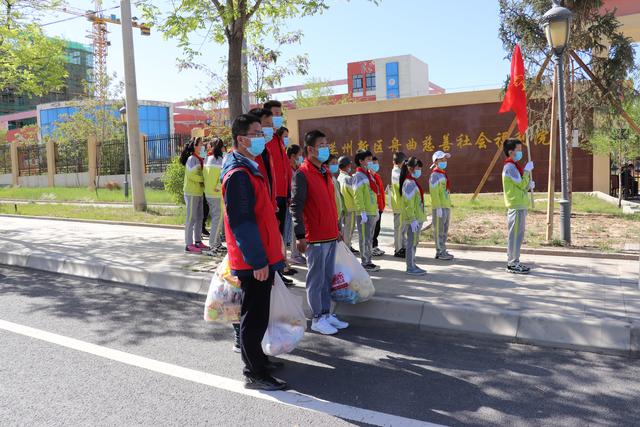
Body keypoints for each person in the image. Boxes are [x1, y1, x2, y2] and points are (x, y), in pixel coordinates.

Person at [221, 113, 287, 391]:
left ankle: (259, 359)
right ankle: (254, 373)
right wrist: (258, 260)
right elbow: (243, 222)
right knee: (254, 315)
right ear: (241, 139)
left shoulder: (250, 167)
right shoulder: (238, 174)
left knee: (260, 313)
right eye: (257, 133)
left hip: (263, 255)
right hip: (254, 260)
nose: (263, 138)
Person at [290, 130, 349, 335]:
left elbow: (331, 204)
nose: (326, 148)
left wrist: (337, 228)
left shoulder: (324, 172)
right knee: (316, 280)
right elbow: (296, 206)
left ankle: (326, 313)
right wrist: (300, 235)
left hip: (330, 234)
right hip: (314, 237)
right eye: (321, 145)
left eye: (326, 144)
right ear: (310, 149)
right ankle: (316, 318)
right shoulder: (302, 173)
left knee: (327, 278)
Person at [502, 138, 534, 274]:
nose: (521, 152)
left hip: (520, 205)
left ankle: (515, 261)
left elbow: (520, 186)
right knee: (515, 236)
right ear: (511, 152)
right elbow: (520, 184)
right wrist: (527, 172)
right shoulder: (509, 167)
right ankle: (512, 263)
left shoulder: (514, 166)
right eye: (519, 150)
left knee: (518, 235)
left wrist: (528, 186)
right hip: (515, 206)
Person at [263, 100, 292, 235]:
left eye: (280, 114)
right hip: (271, 195)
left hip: (282, 194)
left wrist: (289, 192)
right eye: (275, 114)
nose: (278, 117)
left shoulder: (278, 139)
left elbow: (285, 168)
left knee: (280, 233)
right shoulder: (264, 140)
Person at [353, 150, 380, 272]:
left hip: (372, 211)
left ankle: (369, 260)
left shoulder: (369, 175)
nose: (370, 162)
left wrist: (376, 210)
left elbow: (373, 194)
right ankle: (365, 262)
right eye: (368, 159)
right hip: (364, 213)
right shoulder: (358, 176)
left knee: (369, 238)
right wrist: (361, 211)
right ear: (361, 161)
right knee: (364, 238)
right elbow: (357, 195)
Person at [400, 157, 427, 276]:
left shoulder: (412, 181)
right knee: (411, 243)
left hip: (417, 217)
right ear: (410, 168)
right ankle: (410, 267)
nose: (419, 170)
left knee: (414, 242)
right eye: (418, 168)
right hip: (414, 219)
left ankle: (413, 264)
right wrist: (412, 219)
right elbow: (408, 204)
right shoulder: (409, 183)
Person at [181, 137, 208, 254]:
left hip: (198, 192)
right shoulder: (192, 159)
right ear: (195, 147)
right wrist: (204, 179)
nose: (203, 146)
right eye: (201, 144)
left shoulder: (199, 159)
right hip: (191, 192)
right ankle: (188, 244)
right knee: (191, 219)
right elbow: (192, 176)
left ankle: (198, 241)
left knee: (199, 218)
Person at [429, 150, 454, 261]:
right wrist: (437, 207)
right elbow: (434, 193)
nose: (445, 161)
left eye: (445, 159)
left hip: (446, 206)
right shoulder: (435, 175)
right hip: (439, 207)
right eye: (442, 159)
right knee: (439, 230)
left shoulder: (442, 174)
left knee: (444, 230)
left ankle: (442, 249)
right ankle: (439, 251)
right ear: (436, 161)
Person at [203, 138, 225, 252]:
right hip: (216, 193)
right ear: (221, 148)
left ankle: (217, 243)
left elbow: (205, 175)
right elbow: (222, 176)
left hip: (208, 193)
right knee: (218, 219)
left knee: (215, 218)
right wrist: (217, 187)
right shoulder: (220, 160)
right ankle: (213, 244)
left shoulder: (207, 158)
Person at [285, 144, 306, 266]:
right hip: (290, 202)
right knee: (293, 229)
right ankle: (294, 254)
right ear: (293, 156)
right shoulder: (287, 167)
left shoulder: (297, 168)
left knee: (297, 227)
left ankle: (298, 253)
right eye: (299, 155)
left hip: (297, 202)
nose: (301, 157)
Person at [337, 156, 358, 254]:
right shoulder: (348, 178)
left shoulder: (339, 177)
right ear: (347, 166)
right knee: (349, 229)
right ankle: (347, 248)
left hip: (343, 207)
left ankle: (346, 246)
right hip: (351, 207)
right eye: (349, 165)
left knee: (345, 228)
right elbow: (354, 192)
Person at [390, 152, 407, 258]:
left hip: (401, 205)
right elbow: (403, 187)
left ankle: (403, 247)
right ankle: (398, 249)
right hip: (398, 205)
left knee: (402, 229)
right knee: (399, 229)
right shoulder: (397, 173)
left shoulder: (399, 171)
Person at [369, 156, 386, 257]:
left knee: (377, 228)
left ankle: (374, 246)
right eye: (373, 163)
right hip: (374, 207)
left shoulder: (376, 176)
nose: (376, 165)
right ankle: (371, 247)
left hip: (379, 206)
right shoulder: (370, 177)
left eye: (377, 163)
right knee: (373, 229)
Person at [327, 154, 343, 231]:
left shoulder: (334, 179)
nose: (335, 165)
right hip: (331, 216)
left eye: (336, 163)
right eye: (333, 163)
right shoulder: (327, 179)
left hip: (338, 215)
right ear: (326, 164)